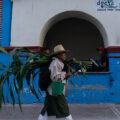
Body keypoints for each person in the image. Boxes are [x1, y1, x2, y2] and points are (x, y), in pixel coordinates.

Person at [38, 44, 73, 120]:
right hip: (55, 89)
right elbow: (55, 78)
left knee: (47, 107)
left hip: (52, 89)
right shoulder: (55, 64)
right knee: (64, 106)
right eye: (63, 54)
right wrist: (65, 76)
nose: (65, 56)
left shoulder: (59, 62)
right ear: (59, 55)